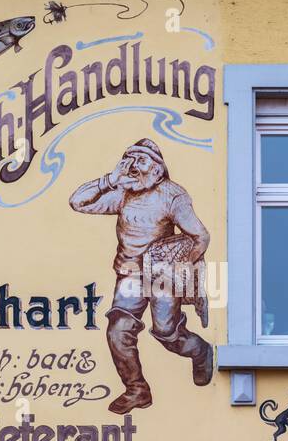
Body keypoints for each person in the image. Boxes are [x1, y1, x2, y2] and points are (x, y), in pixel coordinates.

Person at [68, 138, 213, 413]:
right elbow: (77, 202)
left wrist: (181, 268)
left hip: (161, 276)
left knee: (166, 334)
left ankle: (199, 350)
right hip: (130, 274)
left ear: (158, 167)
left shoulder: (173, 195)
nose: (134, 166)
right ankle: (136, 389)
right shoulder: (124, 193)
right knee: (118, 330)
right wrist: (109, 180)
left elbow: (200, 237)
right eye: (129, 159)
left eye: (141, 160)